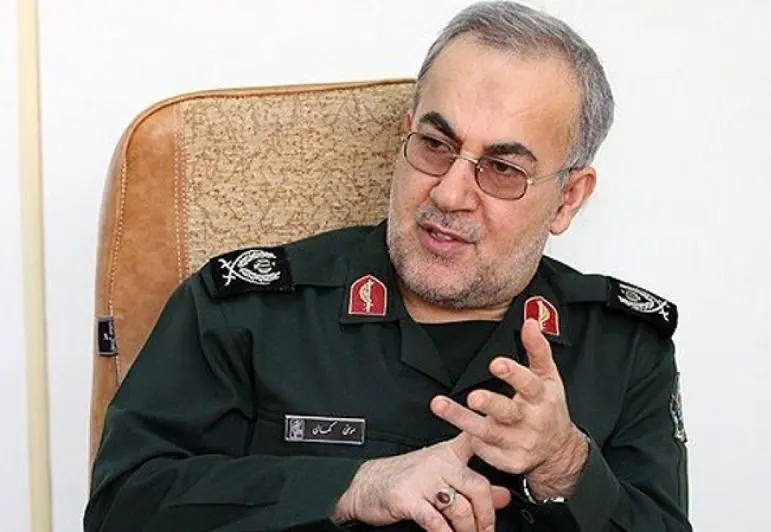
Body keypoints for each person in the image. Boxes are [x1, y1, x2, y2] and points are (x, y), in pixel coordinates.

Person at [84, 2, 691, 531]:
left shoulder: (625, 349)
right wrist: (351, 488)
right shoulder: (246, 311)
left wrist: (567, 467)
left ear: (567, 199)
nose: (449, 194)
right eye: (436, 145)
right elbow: (122, 508)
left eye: (503, 169)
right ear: (406, 135)